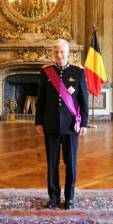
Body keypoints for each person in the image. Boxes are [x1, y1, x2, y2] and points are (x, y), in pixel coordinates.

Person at [35, 39, 88, 210]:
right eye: (56, 52)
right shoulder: (46, 73)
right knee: (52, 163)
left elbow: (83, 100)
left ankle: (70, 198)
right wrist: (38, 121)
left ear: (68, 53)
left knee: (71, 163)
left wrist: (84, 123)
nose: (59, 55)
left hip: (71, 126)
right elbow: (40, 99)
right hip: (50, 125)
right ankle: (54, 197)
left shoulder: (78, 73)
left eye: (62, 52)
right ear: (53, 53)